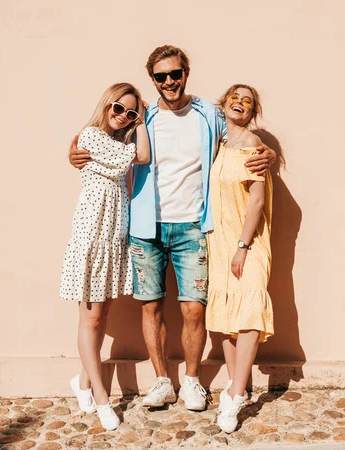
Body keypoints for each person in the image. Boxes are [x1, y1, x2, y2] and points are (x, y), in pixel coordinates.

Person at [69, 45, 275, 412]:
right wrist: (74, 152)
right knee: (151, 308)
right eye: (161, 76)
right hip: (146, 227)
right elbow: (104, 135)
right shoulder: (141, 118)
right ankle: (163, 381)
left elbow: (239, 136)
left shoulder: (207, 114)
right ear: (153, 80)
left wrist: (267, 153)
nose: (169, 81)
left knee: (194, 310)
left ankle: (192, 382)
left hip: (194, 225)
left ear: (186, 73)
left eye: (175, 73)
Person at [60, 83, 150, 430]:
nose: (122, 116)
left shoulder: (119, 142)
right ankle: (100, 397)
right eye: (118, 108)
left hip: (114, 234)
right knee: (91, 320)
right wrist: (140, 126)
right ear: (106, 104)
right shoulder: (90, 136)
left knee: (103, 315)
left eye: (129, 112)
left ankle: (82, 380)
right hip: (92, 235)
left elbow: (135, 157)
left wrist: (137, 123)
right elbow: (142, 157)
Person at [206, 84, 274, 433]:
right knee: (227, 316)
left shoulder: (253, 146)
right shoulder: (218, 146)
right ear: (224, 104)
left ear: (253, 111)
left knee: (248, 312)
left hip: (248, 241)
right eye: (235, 97)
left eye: (247, 101)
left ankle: (232, 397)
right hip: (218, 241)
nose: (240, 103)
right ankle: (238, 384)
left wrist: (243, 246)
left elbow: (257, 201)